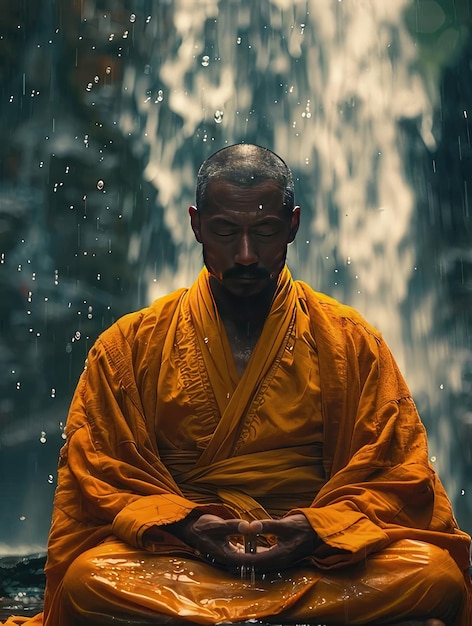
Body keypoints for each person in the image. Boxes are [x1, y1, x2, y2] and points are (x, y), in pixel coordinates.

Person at [4, 144, 471, 626]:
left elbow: (396, 474)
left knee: (435, 576)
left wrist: (316, 529)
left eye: (265, 232)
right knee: (89, 581)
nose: (246, 254)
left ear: (292, 225)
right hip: (182, 562)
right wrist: (186, 524)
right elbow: (99, 472)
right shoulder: (130, 345)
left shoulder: (350, 341)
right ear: (196, 224)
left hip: (314, 563)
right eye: (226, 231)